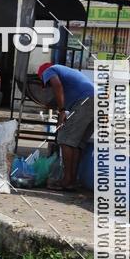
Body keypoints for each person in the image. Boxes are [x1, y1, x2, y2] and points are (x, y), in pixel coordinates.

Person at [38, 61, 95, 192]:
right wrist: (61, 113)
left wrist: (62, 110)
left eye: (45, 83)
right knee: (76, 143)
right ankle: (71, 181)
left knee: (65, 140)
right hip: (98, 102)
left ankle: (66, 180)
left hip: (87, 102)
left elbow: (57, 86)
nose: (48, 86)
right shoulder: (68, 74)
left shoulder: (49, 70)